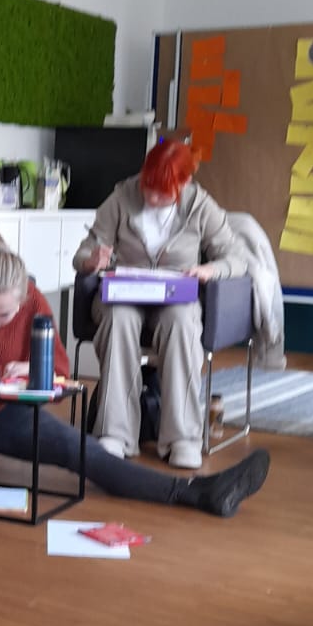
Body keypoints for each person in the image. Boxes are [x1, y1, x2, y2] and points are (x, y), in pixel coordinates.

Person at [0, 242, 269, 553]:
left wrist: (29, 370)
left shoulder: (35, 302)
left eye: (3, 314)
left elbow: (59, 369)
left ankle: (196, 493)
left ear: (23, 299)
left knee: (82, 450)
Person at [72, 137, 246, 468]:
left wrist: (210, 270)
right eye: (148, 187)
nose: (152, 198)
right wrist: (91, 259)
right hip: (123, 296)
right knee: (119, 319)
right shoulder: (121, 197)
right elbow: (84, 251)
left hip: (175, 299)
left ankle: (182, 438)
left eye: (163, 193)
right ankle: (114, 433)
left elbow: (237, 257)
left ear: (185, 182)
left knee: (182, 322)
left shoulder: (201, 206)